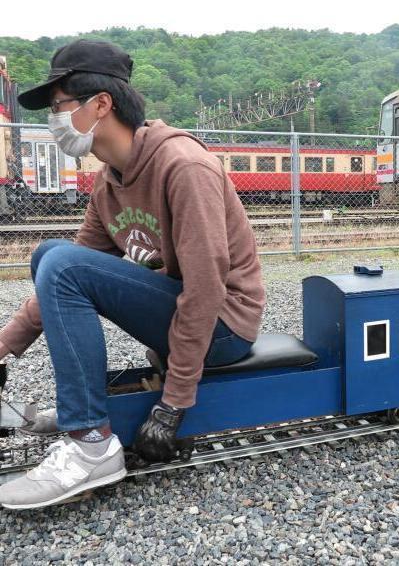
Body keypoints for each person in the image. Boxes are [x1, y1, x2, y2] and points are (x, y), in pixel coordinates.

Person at [0, 39, 265, 509]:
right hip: (180, 315)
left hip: (224, 326)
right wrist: (4, 344)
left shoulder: (183, 167)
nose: (53, 120)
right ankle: (80, 418)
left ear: (101, 104)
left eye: (59, 106)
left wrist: (175, 401)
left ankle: (89, 444)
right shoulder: (109, 181)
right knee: (50, 256)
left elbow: (205, 289)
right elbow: (69, 267)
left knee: (59, 263)